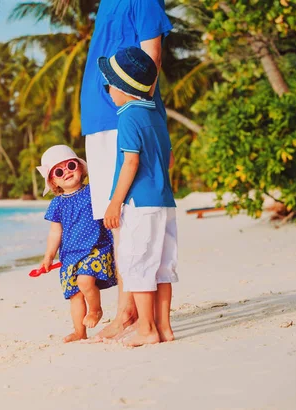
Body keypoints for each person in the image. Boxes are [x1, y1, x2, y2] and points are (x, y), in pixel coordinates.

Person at [80, 0, 173, 340]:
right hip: (100, 119)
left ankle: (129, 314)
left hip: (122, 115)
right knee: (117, 221)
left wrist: (141, 110)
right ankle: (131, 313)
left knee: (126, 221)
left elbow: (152, 57)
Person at [98, 46, 178, 346]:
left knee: (138, 266)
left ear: (121, 88)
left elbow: (130, 162)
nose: (108, 90)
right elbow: (168, 159)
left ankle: (147, 330)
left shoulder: (128, 117)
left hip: (139, 204)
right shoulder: (156, 115)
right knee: (163, 268)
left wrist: (114, 203)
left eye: (109, 83)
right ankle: (164, 327)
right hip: (164, 203)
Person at [37, 145, 117, 343]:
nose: (67, 172)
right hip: (70, 255)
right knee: (74, 295)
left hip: (96, 247)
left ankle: (96, 309)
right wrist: (48, 256)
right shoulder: (57, 204)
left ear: (81, 169)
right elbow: (56, 232)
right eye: (59, 171)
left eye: (71, 165)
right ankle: (79, 331)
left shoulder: (93, 192)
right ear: (53, 181)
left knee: (84, 281)